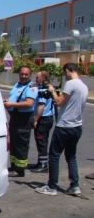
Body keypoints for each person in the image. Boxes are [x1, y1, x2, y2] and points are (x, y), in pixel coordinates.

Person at [36, 63, 88, 196]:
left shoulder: (71, 84)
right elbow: (68, 103)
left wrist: (52, 90)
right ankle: (74, 186)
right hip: (77, 126)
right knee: (71, 157)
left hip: (65, 126)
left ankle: (52, 186)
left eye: (65, 74)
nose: (65, 76)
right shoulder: (84, 86)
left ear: (68, 71)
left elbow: (59, 102)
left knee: (54, 156)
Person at [3, 66, 37, 177]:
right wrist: (7, 101)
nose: (23, 76)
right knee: (13, 143)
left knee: (21, 144)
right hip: (15, 117)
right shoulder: (17, 85)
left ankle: (20, 169)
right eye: (22, 74)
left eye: (26, 74)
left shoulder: (31, 87)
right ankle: (13, 166)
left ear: (29, 75)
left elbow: (29, 103)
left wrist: (11, 104)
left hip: (24, 119)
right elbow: (14, 97)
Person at [29, 71, 54, 172]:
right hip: (47, 119)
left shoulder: (44, 89)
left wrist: (35, 119)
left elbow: (41, 106)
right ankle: (41, 162)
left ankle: (43, 165)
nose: (36, 79)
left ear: (43, 78)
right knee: (41, 140)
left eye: (37, 77)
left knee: (41, 141)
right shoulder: (47, 88)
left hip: (43, 119)